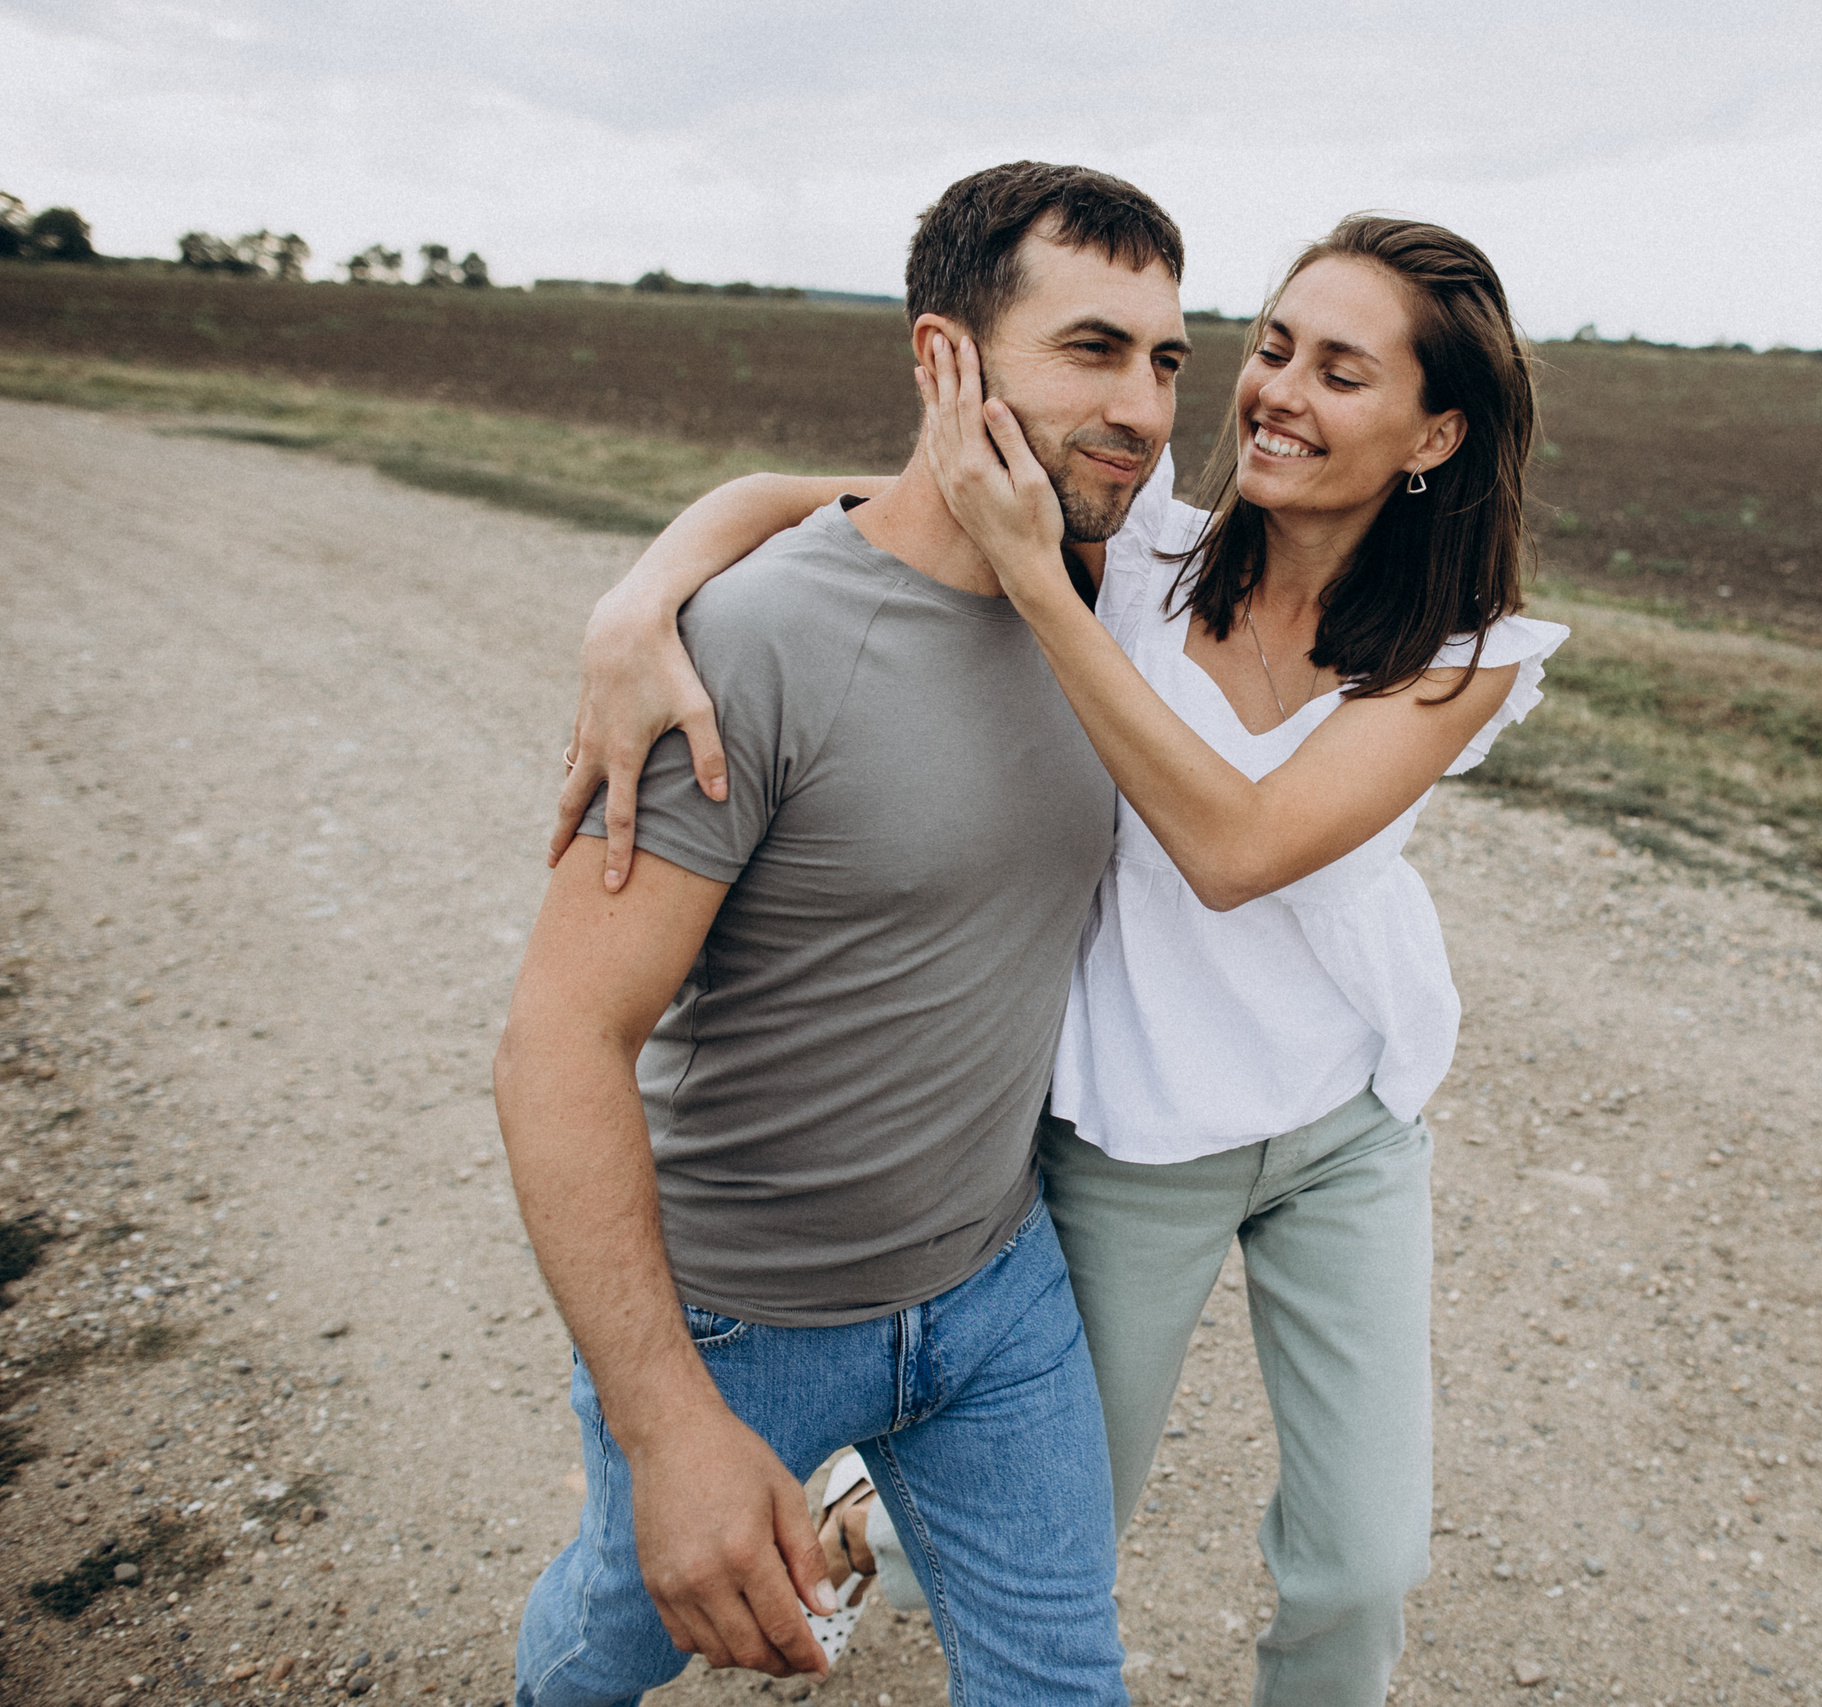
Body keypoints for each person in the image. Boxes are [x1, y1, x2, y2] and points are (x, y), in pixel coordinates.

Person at [563, 213, 1567, 1707]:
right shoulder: (1145, 540)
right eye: (1273, 347)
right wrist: (637, 602)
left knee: (1364, 1562)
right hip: (1138, 1132)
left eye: (1340, 372)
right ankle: (861, 1530)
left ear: (1434, 432)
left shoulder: (1460, 652)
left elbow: (1237, 848)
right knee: (1055, 1520)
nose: (1273, 392)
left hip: (1342, 1128)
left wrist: (1044, 584)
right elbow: (840, 499)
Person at [495, 160, 1198, 1707]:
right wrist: (673, 1426)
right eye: (1092, 348)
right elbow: (560, 1038)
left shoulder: (1109, 603)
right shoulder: (746, 642)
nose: (1145, 408)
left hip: (999, 1291)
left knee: (1064, 1681)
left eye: (1166, 359)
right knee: (613, 1644)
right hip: (738, 1313)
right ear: (944, 358)